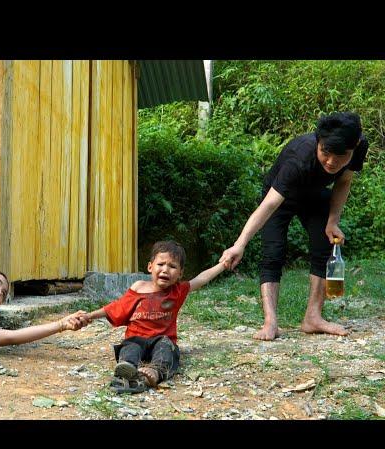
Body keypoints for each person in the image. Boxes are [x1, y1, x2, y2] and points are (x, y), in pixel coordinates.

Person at [219, 112, 368, 341]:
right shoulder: (299, 159)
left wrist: (333, 221)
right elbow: (268, 205)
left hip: (315, 194)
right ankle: (271, 322)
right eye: (325, 152)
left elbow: (344, 181)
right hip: (280, 195)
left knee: (324, 246)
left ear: (354, 146)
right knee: (273, 252)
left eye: (341, 156)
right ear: (318, 142)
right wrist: (240, 244)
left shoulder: (358, 145)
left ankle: (313, 317)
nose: (331, 162)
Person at [77, 240, 226, 394]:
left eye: (172, 266)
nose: (165, 270)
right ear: (150, 267)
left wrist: (223, 264)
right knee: (129, 347)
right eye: (160, 264)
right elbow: (116, 307)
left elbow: (202, 279)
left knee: (166, 348)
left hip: (160, 339)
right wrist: (90, 315)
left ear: (180, 273)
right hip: (136, 337)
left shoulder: (177, 291)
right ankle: (127, 368)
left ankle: (155, 372)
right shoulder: (139, 287)